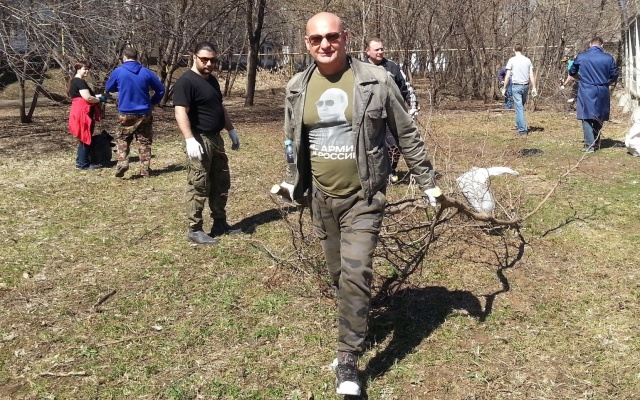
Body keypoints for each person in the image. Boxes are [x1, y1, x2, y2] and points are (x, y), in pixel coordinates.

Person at [281, 12, 441, 396]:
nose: (325, 44)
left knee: (356, 273)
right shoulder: (297, 87)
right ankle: (355, 321)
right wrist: (291, 178)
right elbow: (291, 138)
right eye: (316, 39)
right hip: (321, 198)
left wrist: (427, 181)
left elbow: (406, 132)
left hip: (363, 197)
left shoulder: (376, 80)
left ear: (346, 37)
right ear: (307, 43)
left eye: (332, 36)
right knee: (339, 274)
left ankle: (348, 357)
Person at [173, 41, 242, 245]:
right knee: (199, 184)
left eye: (212, 60)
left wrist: (231, 130)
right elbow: (180, 111)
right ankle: (195, 229)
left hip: (215, 139)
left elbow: (219, 107)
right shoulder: (186, 82)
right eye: (204, 59)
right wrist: (189, 139)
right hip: (199, 139)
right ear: (194, 57)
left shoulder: (211, 80)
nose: (209, 64)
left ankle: (220, 223)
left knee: (221, 181)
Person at [365, 37, 419, 183]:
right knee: (372, 146)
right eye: (376, 49)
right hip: (369, 116)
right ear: (367, 51)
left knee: (394, 145)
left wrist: (413, 107)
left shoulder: (392, 67)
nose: (380, 52)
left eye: (382, 49)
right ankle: (372, 173)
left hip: (391, 114)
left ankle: (390, 170)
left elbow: (406, 88)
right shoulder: (361, 68)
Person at [105, 47, 165, 178]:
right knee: (144, 140)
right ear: (137, 57)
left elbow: (109, 87)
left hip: (125, 111)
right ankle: (145, 170)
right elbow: (160, 89)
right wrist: (153, 102)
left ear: (124, 57)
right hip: (144, 112)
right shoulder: (146, 72)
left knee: (123, 137)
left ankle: (123, 162)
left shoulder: (119, 71)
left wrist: (120, 86)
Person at [568, 37, 618, 153]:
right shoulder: (608, 58)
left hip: (586, 89)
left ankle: (589, 145)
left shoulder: (581, 56)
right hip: (602, 89)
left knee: (586, 116)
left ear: (590, 44)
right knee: (599, 115)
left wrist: (579, 78)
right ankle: (596, 141)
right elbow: (615, 75)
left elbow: (572, 71)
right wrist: (608, 82)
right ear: (602, 45)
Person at [67, 61, 107, 170]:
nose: (87, 71)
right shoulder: (79, 82)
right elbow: (88, 98)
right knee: (85, 137)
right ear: (78, 69)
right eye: (85, 69)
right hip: (83, 112)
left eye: (88, 69)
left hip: (79, 111)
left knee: (84, 137)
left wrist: (98, 96)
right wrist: (99, 99)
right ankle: (83, 164)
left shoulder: (75, 81)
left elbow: (86, 96)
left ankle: (80, 161)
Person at [502, 44, 537, 135]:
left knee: (519, 107)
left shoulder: (512, 60)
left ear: (513, 49)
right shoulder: (527, 60)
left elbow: (507, 75)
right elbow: (531, 75)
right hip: (525, 86)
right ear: (522, 49)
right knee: (520, 106)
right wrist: (534, 87)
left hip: (516, 86)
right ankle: (518, 124)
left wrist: (504, 87)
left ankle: (523, 130)